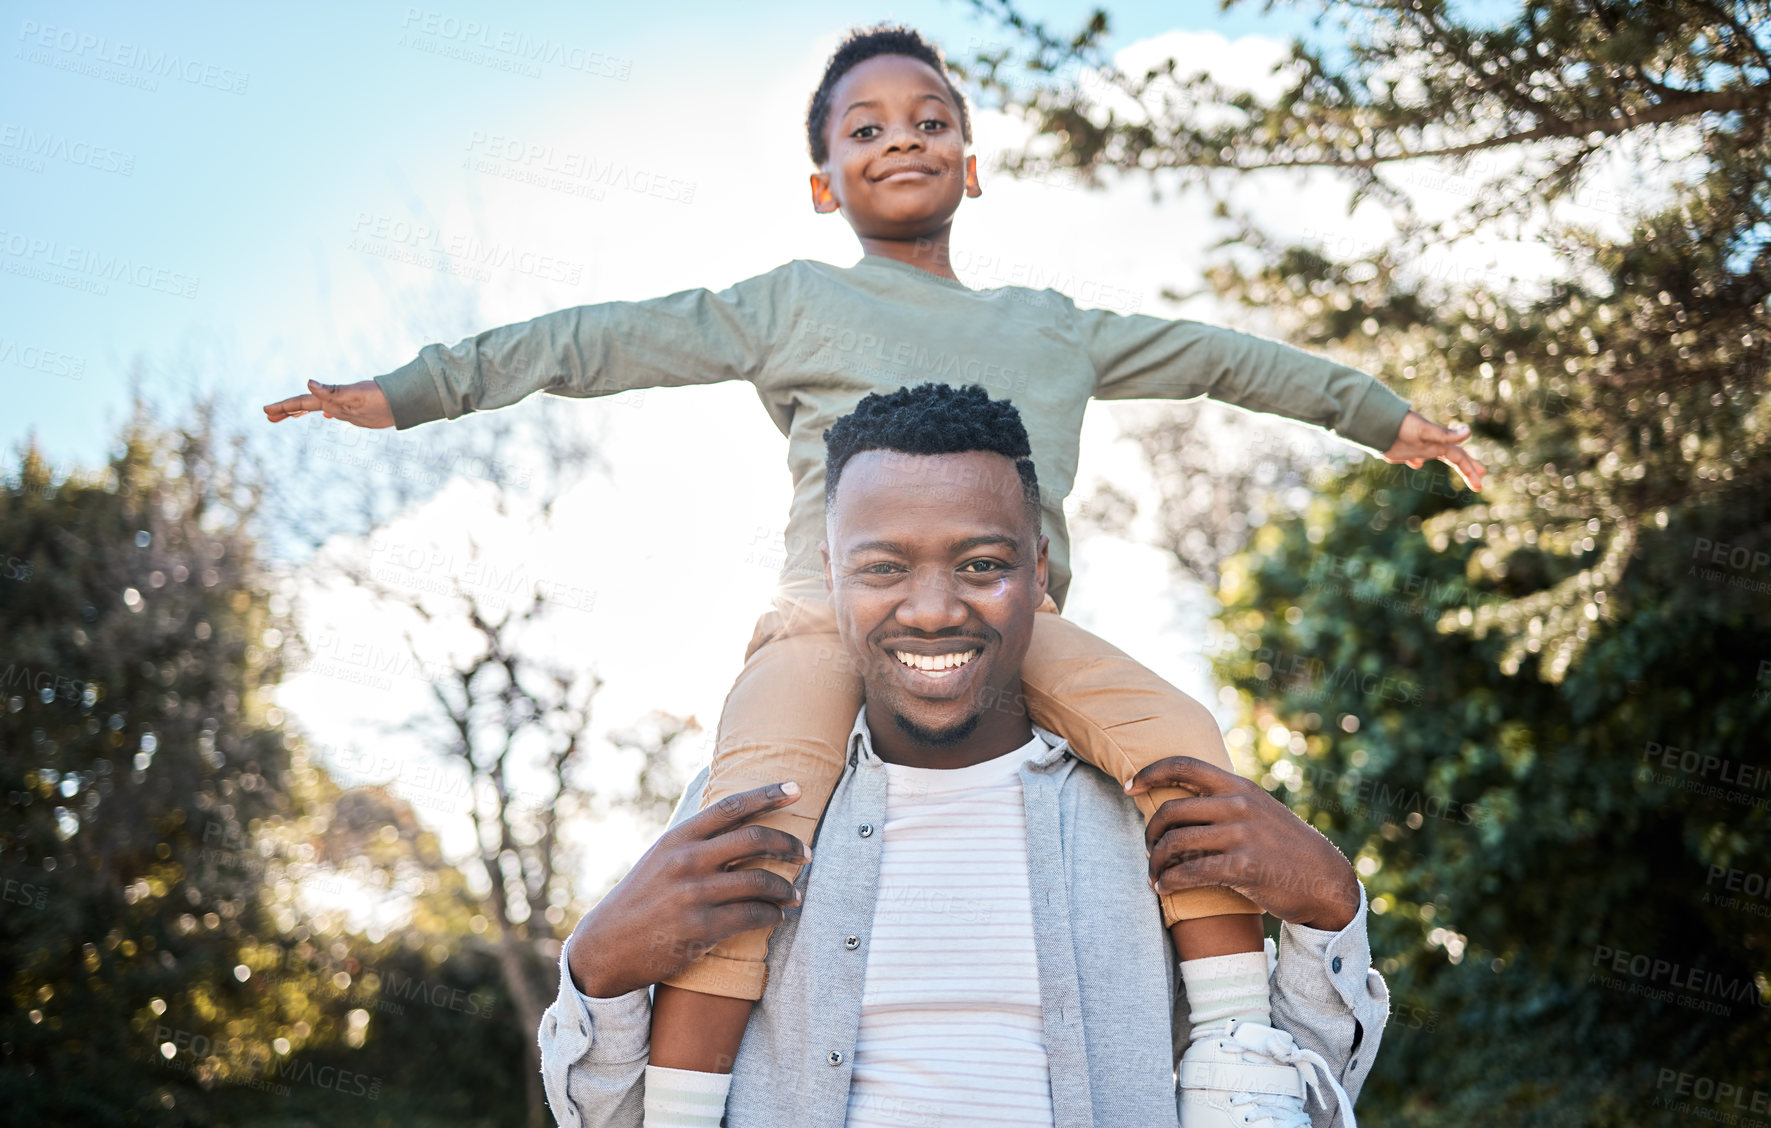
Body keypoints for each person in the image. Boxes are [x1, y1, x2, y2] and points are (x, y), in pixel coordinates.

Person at [263, 24, 1481, 1122]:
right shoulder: (796, 303)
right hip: (822, 626)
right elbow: (599, 340)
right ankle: (681, 1109)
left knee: (1178, 738)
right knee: (751, 830)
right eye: (866, 129)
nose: (902, 138)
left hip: (1015, 625)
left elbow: (1223, 361)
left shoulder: (1054, 326)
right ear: (823, 180)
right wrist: (414, 391)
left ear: (971, 159)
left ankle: (1229, 1053)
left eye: (930, 120)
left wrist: (1380, 417)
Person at [541, 383, 1388, 1127]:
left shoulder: (1149, 806)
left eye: (982, 564)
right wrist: (597, 975)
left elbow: (1277, 1105)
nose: (934, 609)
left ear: (1040, 568)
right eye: (881, 568)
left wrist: (1327, 911)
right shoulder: (753, 807)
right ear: (827, 573)